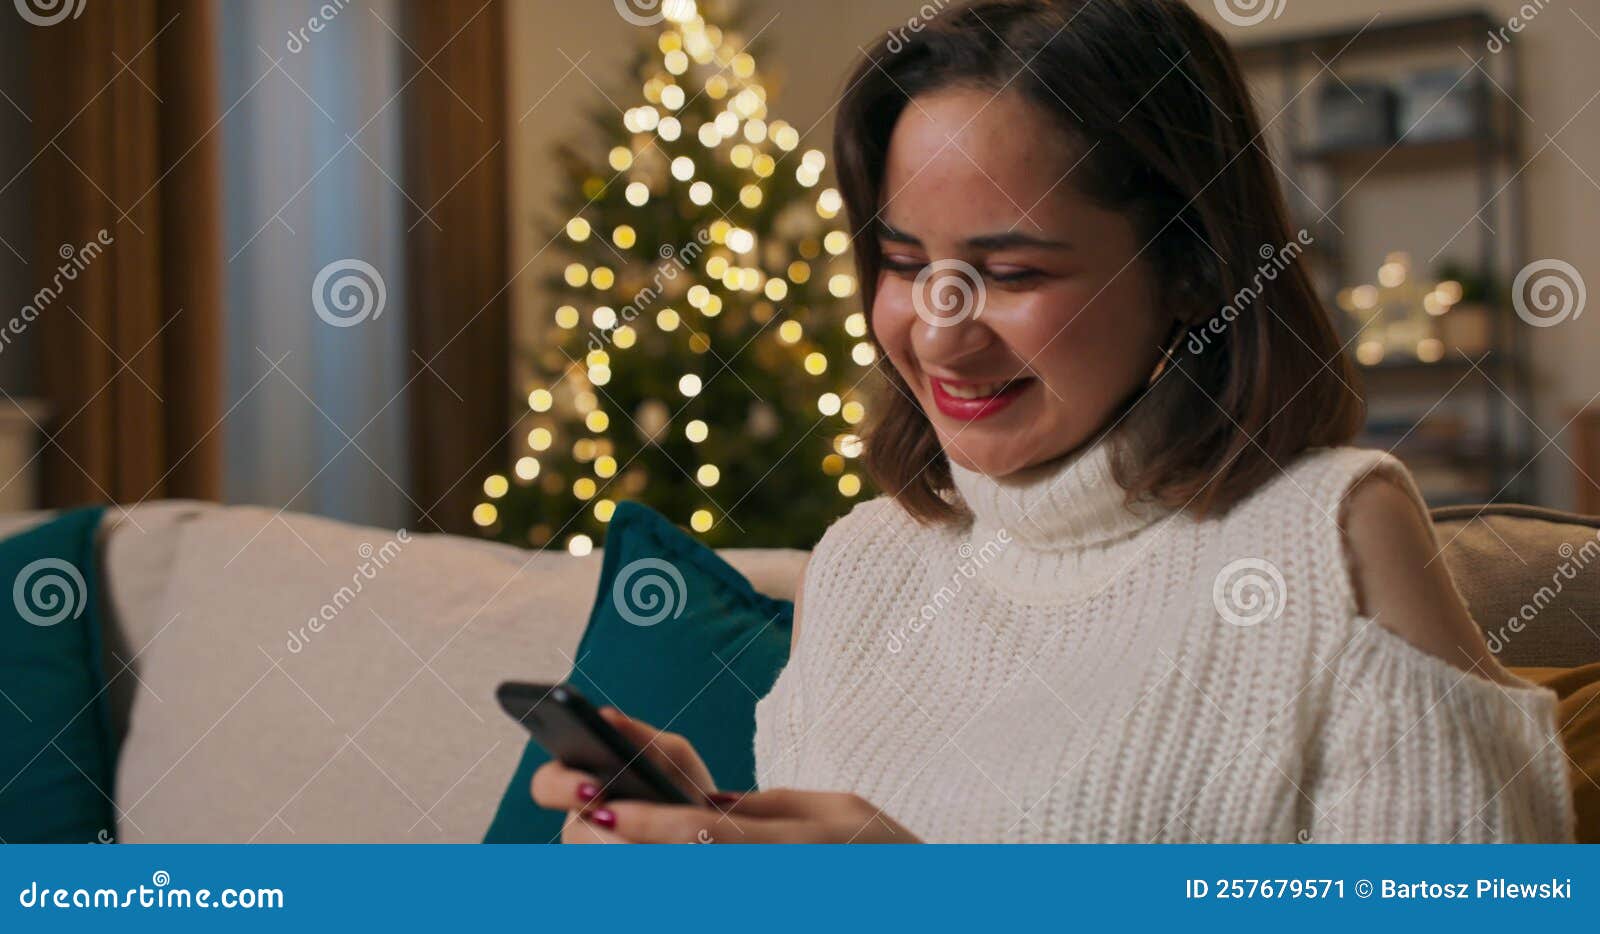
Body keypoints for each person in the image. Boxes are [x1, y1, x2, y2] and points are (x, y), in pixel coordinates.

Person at [532, 0, 1574, 843]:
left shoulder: (1333, 535)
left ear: (1189, 268)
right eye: (902, 262)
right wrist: (703, 854)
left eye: (1010, 271)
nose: (936, 334)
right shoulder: (858, 569)